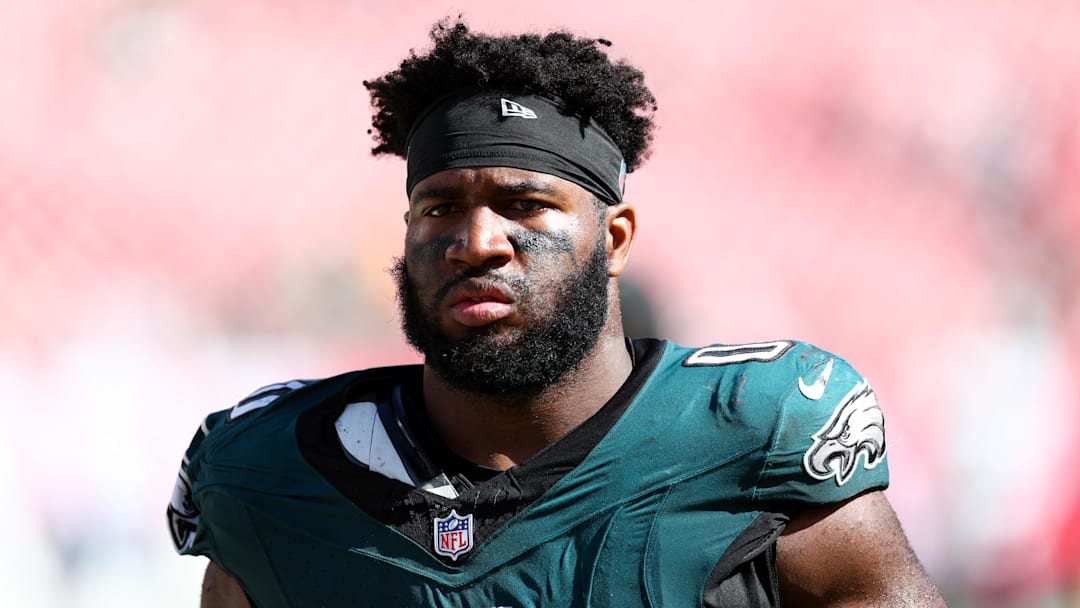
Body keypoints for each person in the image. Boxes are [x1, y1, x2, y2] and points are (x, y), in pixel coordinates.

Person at [167, 19, 946, 607]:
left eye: (525, 205)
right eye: (438, 208)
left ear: (613, 240)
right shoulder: (269, 469)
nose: (476, 242)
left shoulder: (756, 433)